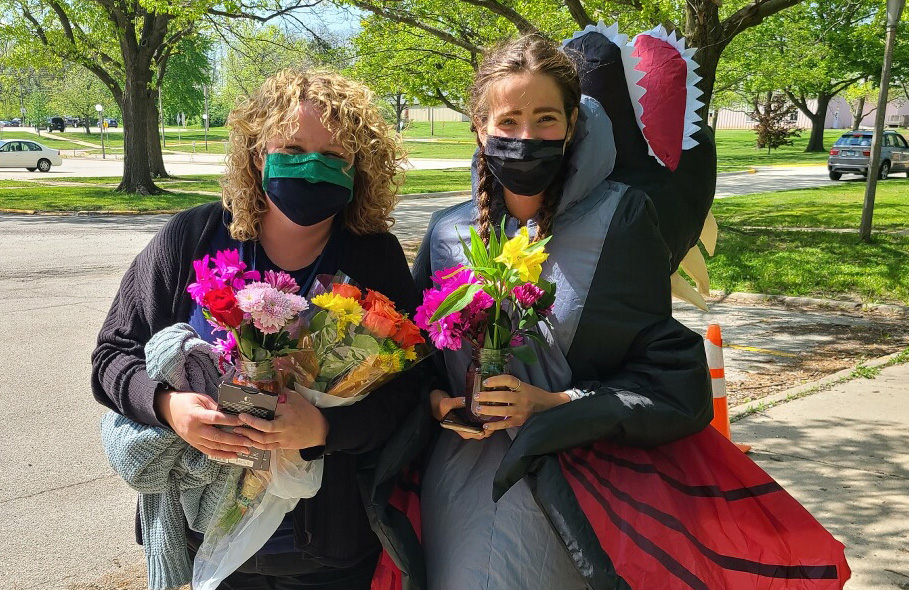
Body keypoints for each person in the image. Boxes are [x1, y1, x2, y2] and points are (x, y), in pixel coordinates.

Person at [92, 69, 421, 589]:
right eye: (291, 147)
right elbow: (112, 356)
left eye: (335, 155)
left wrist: (324, 431)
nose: (312, 167)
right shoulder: (192, 238)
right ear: (255, 152)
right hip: (207, 541)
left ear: (360, 168)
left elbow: (409, 390)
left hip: (328, 551)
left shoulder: (372, 256)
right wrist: (168, 408)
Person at [411, 35, 713, 589]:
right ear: (480, 128)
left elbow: (664, 371)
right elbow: (414, 362)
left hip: (572, 493)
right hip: (456, 490)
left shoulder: (619, 221)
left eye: (546, 119)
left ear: (573, 123)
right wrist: (438, 403)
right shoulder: (446, 232)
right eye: (509, 122)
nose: (527, 138)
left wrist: (555, 403)